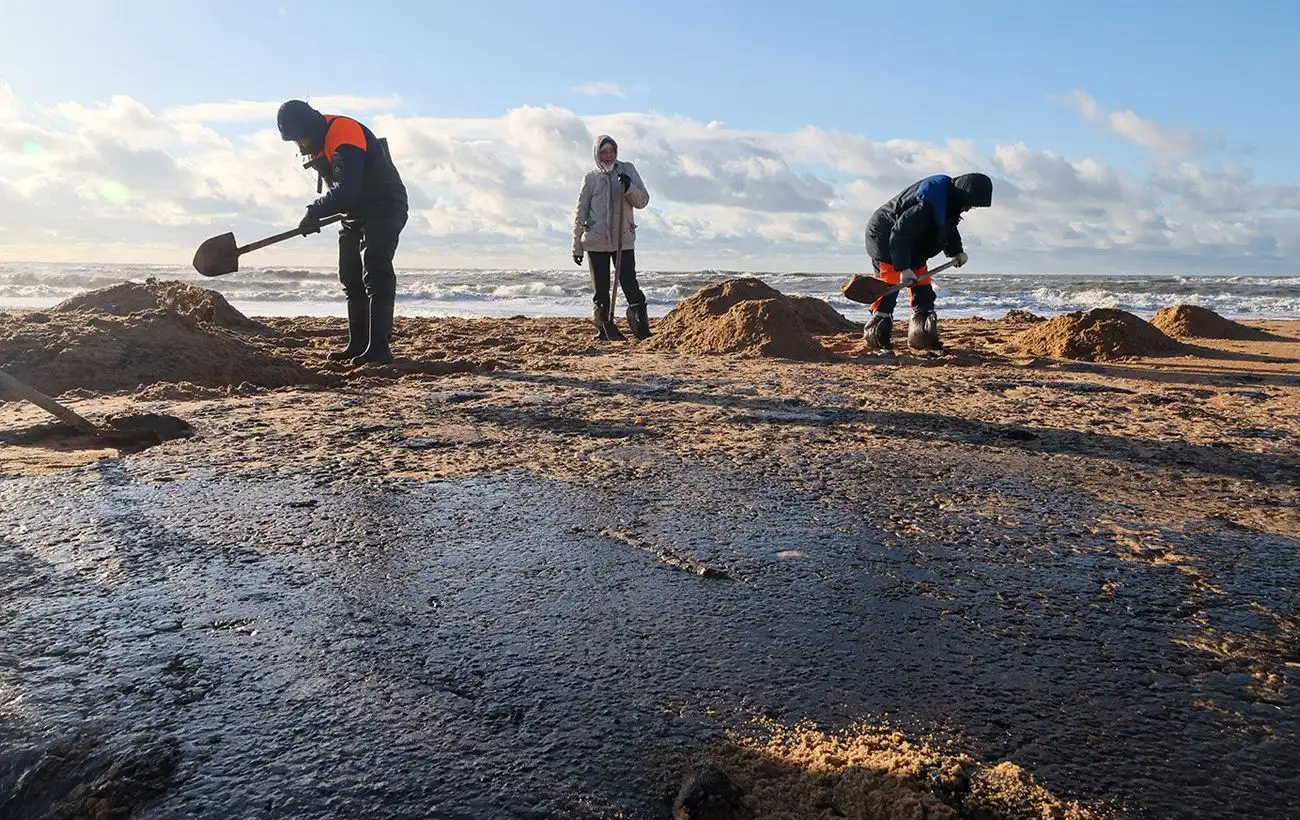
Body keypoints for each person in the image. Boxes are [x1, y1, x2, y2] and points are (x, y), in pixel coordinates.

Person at [276, 99, 409, 366]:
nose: (300, 146)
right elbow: (342, 194)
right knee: (350, 275)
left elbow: (348, 191)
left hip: (384, 206)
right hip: (353, 214)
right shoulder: (318, 142)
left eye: (300, 139)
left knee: (376, 271)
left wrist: (314, 211)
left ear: (310, 127)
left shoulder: (344, 133)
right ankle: (357, 344)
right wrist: (319, 212)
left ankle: (379, 349)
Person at [861, 173, 993, 354]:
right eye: (969, 204)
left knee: (923, 293)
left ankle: (922, 340)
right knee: (888, 291)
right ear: (963, 194)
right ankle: (876, 340)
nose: (969, 209)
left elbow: (949, 226)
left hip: (914, 246)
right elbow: (900, 233)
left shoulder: (950, 202)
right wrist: (904, 268)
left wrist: (956, 251)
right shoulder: (927, 202)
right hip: (885, 239)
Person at [572, 134, 651, 341]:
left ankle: (641, 329)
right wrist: (577, 246)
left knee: (629, 283)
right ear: (597, 154)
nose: (608, 156)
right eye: (603, 152)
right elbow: (581, 211)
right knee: (600, 289)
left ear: (616, 152)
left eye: (611, 151)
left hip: (622, 239)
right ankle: (604, 329)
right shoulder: (590, 178)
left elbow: (642, 200)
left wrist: (629, 187)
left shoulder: (628, 170)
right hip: (596, 241)